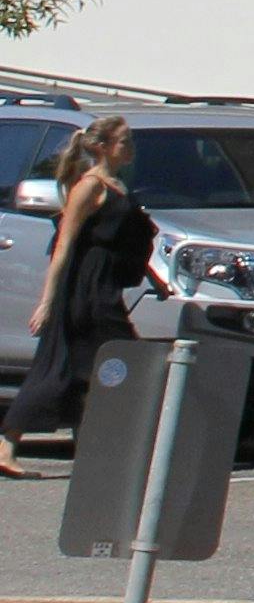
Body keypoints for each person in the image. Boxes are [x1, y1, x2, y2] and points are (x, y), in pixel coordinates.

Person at [4, 117, 147, 475]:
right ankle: (8, 445)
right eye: (124, 141)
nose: (130, 148)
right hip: (85, 289)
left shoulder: (116, 186)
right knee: (114, 359)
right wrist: (48, 301)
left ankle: (18, 446)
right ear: (101, 146)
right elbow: (65, 245)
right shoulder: (89, 186)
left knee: (74, 368)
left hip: (103, 284)